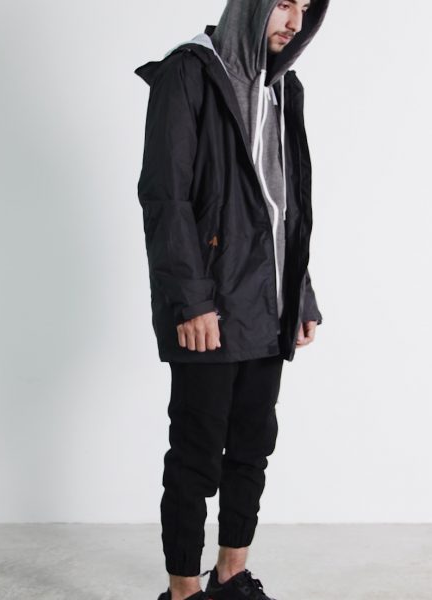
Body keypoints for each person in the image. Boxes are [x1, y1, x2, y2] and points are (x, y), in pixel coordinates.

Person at [134, 1, 329, 598]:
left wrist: (301, 293)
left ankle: (231, 576)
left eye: (305, 8)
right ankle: (183, 591)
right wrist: (191, 301)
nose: (294, 22)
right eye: (283, 4)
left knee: (252, 446)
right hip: (210, 307)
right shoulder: (187, 72)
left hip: (269, 306)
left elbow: (284, 207)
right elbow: (165, 197)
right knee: (196, 453)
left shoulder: (283, 87)